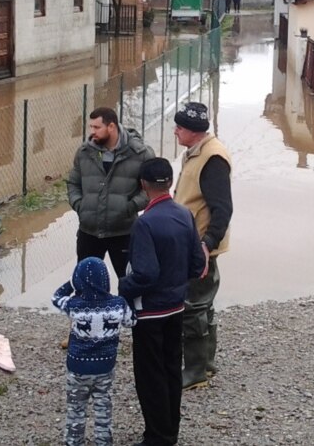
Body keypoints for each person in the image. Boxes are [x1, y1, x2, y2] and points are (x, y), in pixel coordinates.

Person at [119, 158, 207, 446]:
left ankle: (156, 436)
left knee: (149, 375)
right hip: (176, 307)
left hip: (149, 312)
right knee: (171, 368)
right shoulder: (185, 215)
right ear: (169, 182)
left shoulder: (144, 223)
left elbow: (145, 273)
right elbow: (197, 265)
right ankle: (170, 430)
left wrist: (123, 288)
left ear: (143, 185)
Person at [172, 102, 232, 390]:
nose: (175, 132)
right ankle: (206, 363)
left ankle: (195, 371)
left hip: (200, 248)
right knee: (203, 303)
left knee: (193, 306)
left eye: (179, 127)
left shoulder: (213, 158)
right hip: (193, 243)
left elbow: (223, 208)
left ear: (193, 131)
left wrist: (207, 246)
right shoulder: (195, 152)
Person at [52, 257, 136, 446]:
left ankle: (74, 441)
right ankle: (103, 441)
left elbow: (55, 298)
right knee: (103, 405)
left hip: (77, 368)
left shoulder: (74, 306)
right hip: (105, 367)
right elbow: (132, 322)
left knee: (76, 408)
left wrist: (71, 284)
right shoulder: (118, 304)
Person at [67, 107, 154, 279]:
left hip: (124, 233)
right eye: (90, 127)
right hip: (89, 232)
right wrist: (80, 206)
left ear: (112, 127)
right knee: (85, 283)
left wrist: (129, 208)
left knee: (129, 283)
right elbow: (73, 183)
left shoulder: (141, 154)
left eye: (97, 127)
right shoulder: (84, 152)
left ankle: (127, 307)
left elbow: (150, 189)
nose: (92, 132)